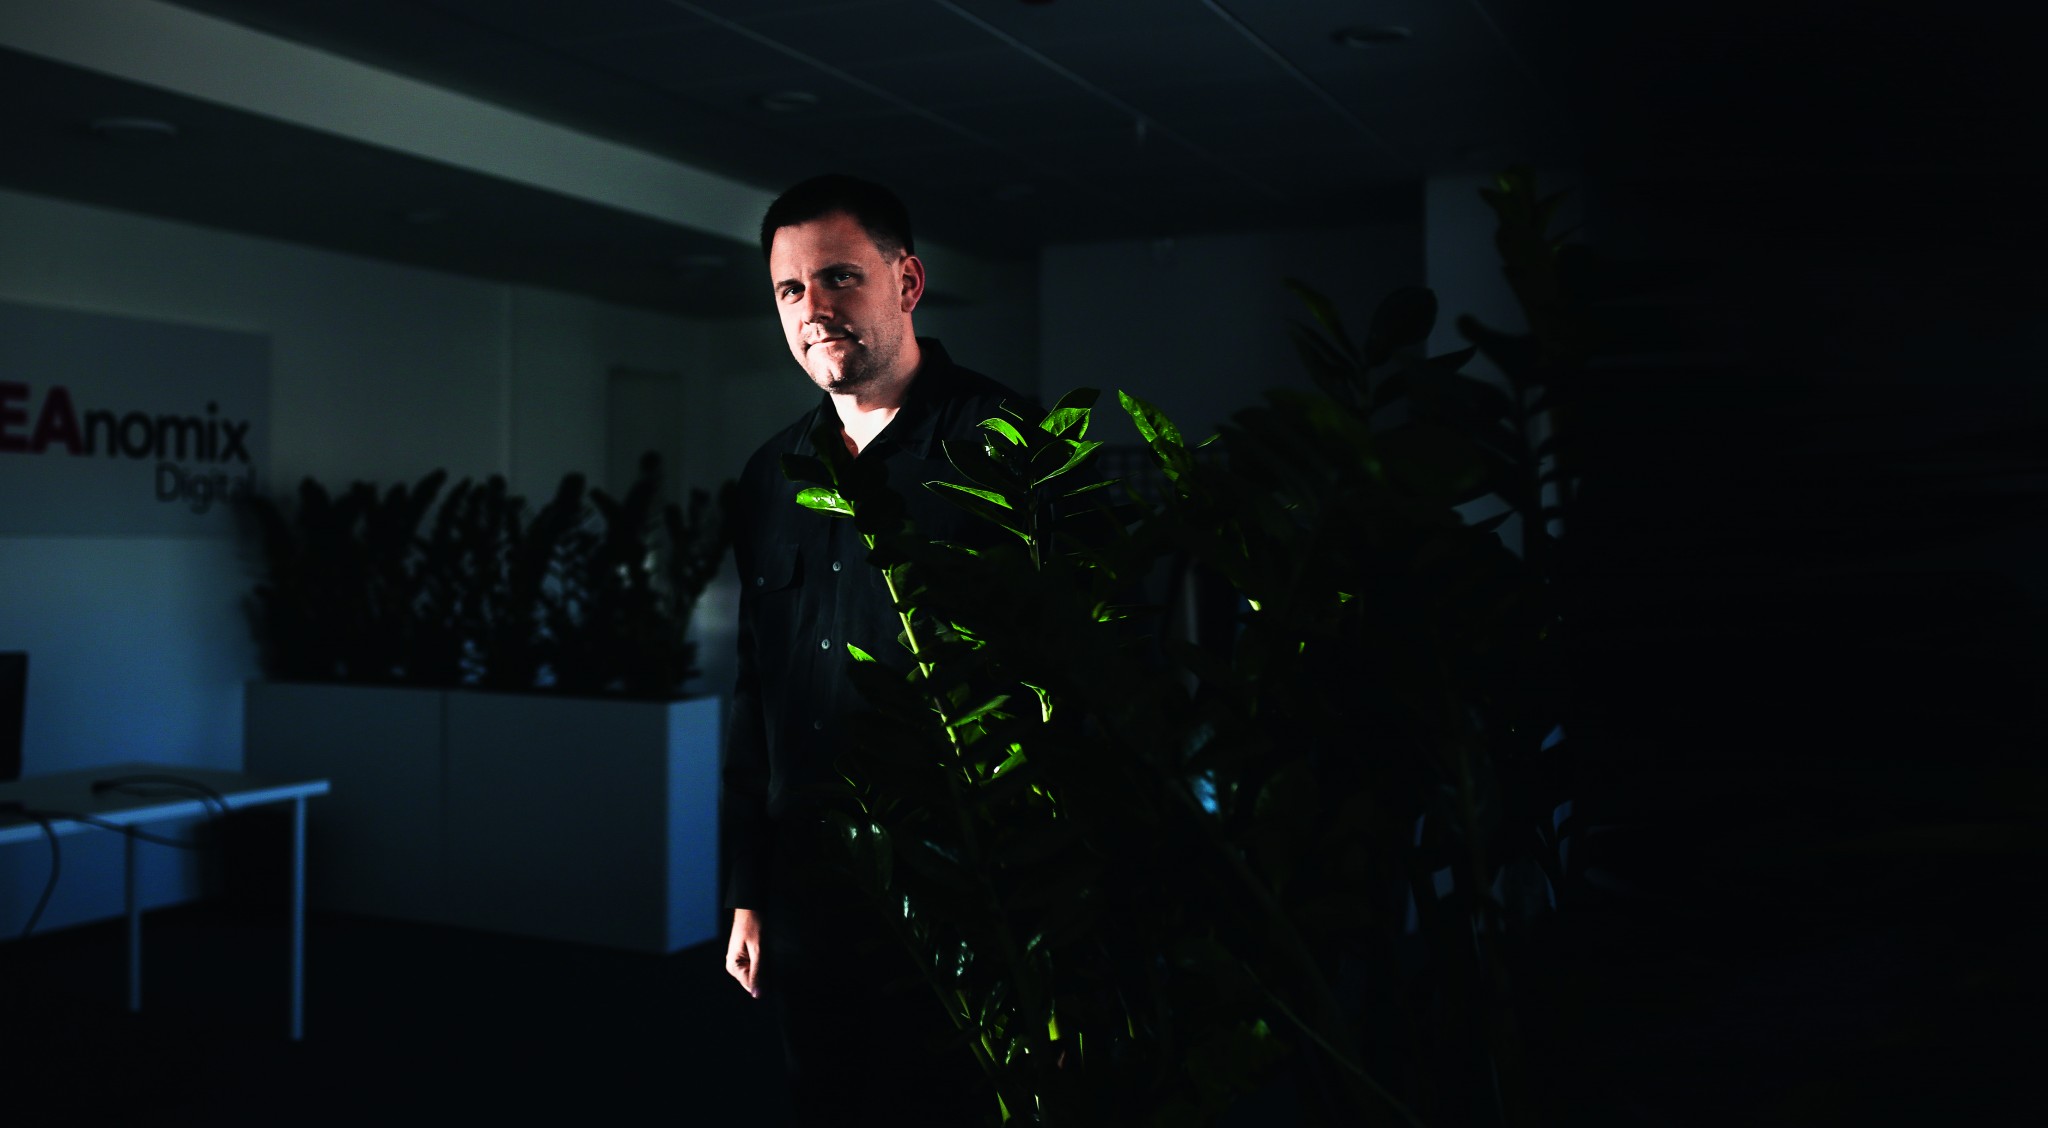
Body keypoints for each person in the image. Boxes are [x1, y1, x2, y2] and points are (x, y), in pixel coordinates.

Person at [720, 174, 1029, 1123]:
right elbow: (758, 690)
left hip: (965, 894)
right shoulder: (771, 476)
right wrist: (748, 890)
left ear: (907, 281)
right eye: (790, 289)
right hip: (811, 894)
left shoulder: (1005, 447)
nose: (813, 309)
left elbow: (1074, 688)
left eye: (840, 277)